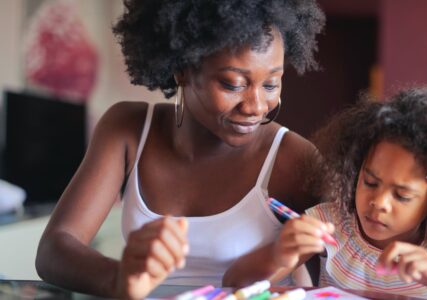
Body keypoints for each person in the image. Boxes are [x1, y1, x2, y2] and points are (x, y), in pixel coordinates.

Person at [35, 0, 325, 299]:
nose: (255, 107)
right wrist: (121, 278)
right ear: (183, 70)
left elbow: (339, 269)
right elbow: (55, 247)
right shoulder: (128, 130)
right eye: (233, 84)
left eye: (270, 84)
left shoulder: (294, 159)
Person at [224, 86, 427, 300]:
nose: (378, 203)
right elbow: (234, 284)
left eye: (402, 196)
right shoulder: (331, 224)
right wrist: (281, 255)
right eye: (370, 182)